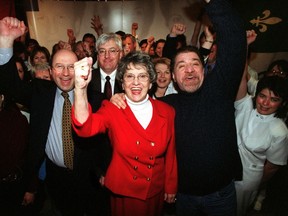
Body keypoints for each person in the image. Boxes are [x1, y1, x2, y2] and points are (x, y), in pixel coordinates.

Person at [111, 0, 246, 214]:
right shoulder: (164, 107)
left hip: (220, 196)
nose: (189, 70)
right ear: (173, 76)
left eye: (195, 64)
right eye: (182, 67)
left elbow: (236, 41)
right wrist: (118, 100)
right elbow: (132, 111)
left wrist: (214, 4)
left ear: (204, 70)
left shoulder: (219, 91)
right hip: (183, 198)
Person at [0, 17, 106, 216]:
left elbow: (107, 141)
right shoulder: (40, 94)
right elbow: (10, 86)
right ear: (50, 71)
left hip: (90, 178)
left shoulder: (95, 99)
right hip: (56, 178)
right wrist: (6, 42)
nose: (66, 73)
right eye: (59, 66)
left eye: (71, 67)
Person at [72, 51, 177, 216]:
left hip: (154, 191)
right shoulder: (112, 109)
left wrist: (171, 186)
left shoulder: (167, 111)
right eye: (129, 76)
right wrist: (80, 88)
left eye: (142, 76)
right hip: (125, 193)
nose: (136, 82)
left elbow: (170, 154)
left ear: (151, 83)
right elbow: (85, 128)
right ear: (122, 82)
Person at [235, 66, 288, 215]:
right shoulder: (245, 106)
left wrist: (255, 184)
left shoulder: (279, 130)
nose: (265, 103)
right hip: (222, 171)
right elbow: (241, 78)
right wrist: (245, 46)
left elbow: (272, 167)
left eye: (274, 99)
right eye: (262, 96)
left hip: (246, 180)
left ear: (282, 103)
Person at [0, 92, 32, 216]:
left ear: (2, 97)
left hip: (12, 187)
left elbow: (28, 155)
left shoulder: (17, 120)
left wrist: (31, 188)